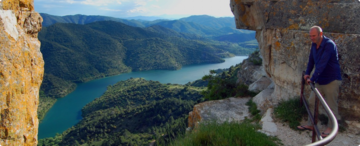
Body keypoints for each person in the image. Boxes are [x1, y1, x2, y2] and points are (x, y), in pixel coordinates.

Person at [297, 26, 342, 138]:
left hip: (331, 79)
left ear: (320, 34)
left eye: (314, 36)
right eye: (310, 36)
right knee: (312, 101)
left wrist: (312, 78)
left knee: (331, 105)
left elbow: (322, 63)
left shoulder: (329, 45)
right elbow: (311, 60)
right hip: (320, 79)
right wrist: (307, 73)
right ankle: (311, 124)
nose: (311, 38)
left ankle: (331, 128)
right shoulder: (314, 44)